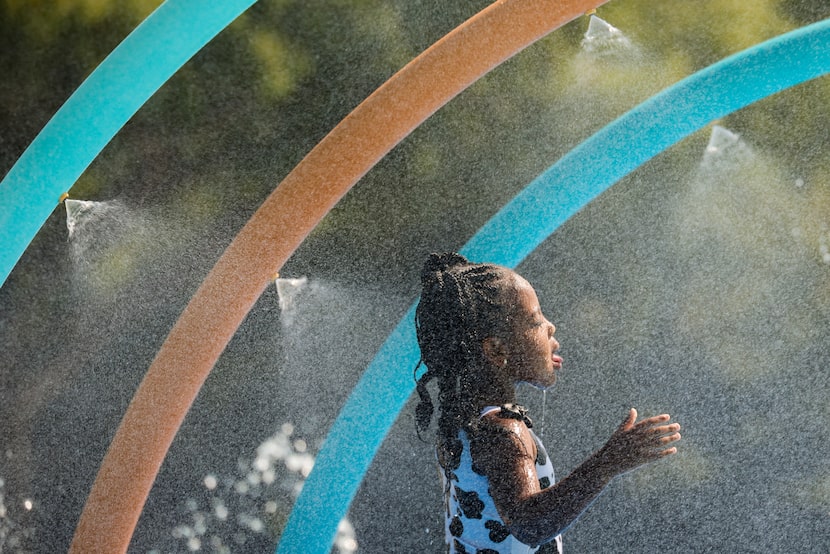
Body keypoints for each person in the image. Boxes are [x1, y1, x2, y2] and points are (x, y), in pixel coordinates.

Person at [414, 252, 681, 553]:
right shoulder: (504, 432)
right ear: (497, 349)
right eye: (536, 320)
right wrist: (607, 462)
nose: (550, 327)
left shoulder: (463, 421)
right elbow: (529, 524)